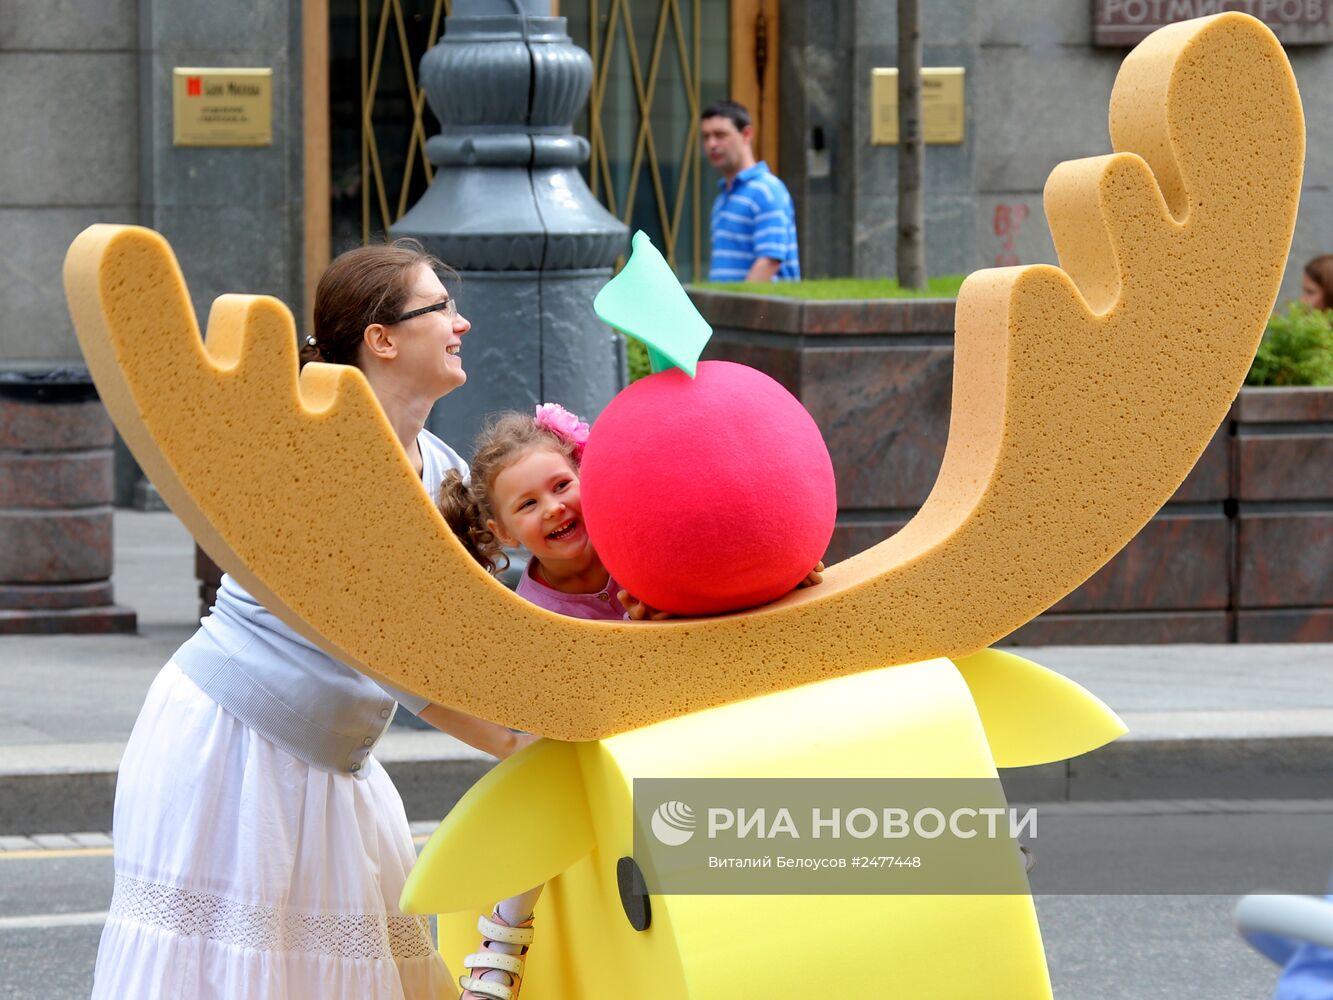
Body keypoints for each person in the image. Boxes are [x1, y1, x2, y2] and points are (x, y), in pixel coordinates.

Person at [91, 239, 528, 1000]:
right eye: (441, 308)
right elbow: (398, 652)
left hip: (331, 758)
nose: (462, 325)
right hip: (232, 747)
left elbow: (473, 626)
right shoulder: (321, 453)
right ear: (382, 340)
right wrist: (520, 736)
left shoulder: (444, 467)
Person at [700, 99, 801, 283]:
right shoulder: (722, 197)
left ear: (746, 134)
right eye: (706, 136)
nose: (711, 144)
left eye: (720, 135)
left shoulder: (767, 191)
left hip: (762, 311)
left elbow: (769, 262)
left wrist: (735, 309)